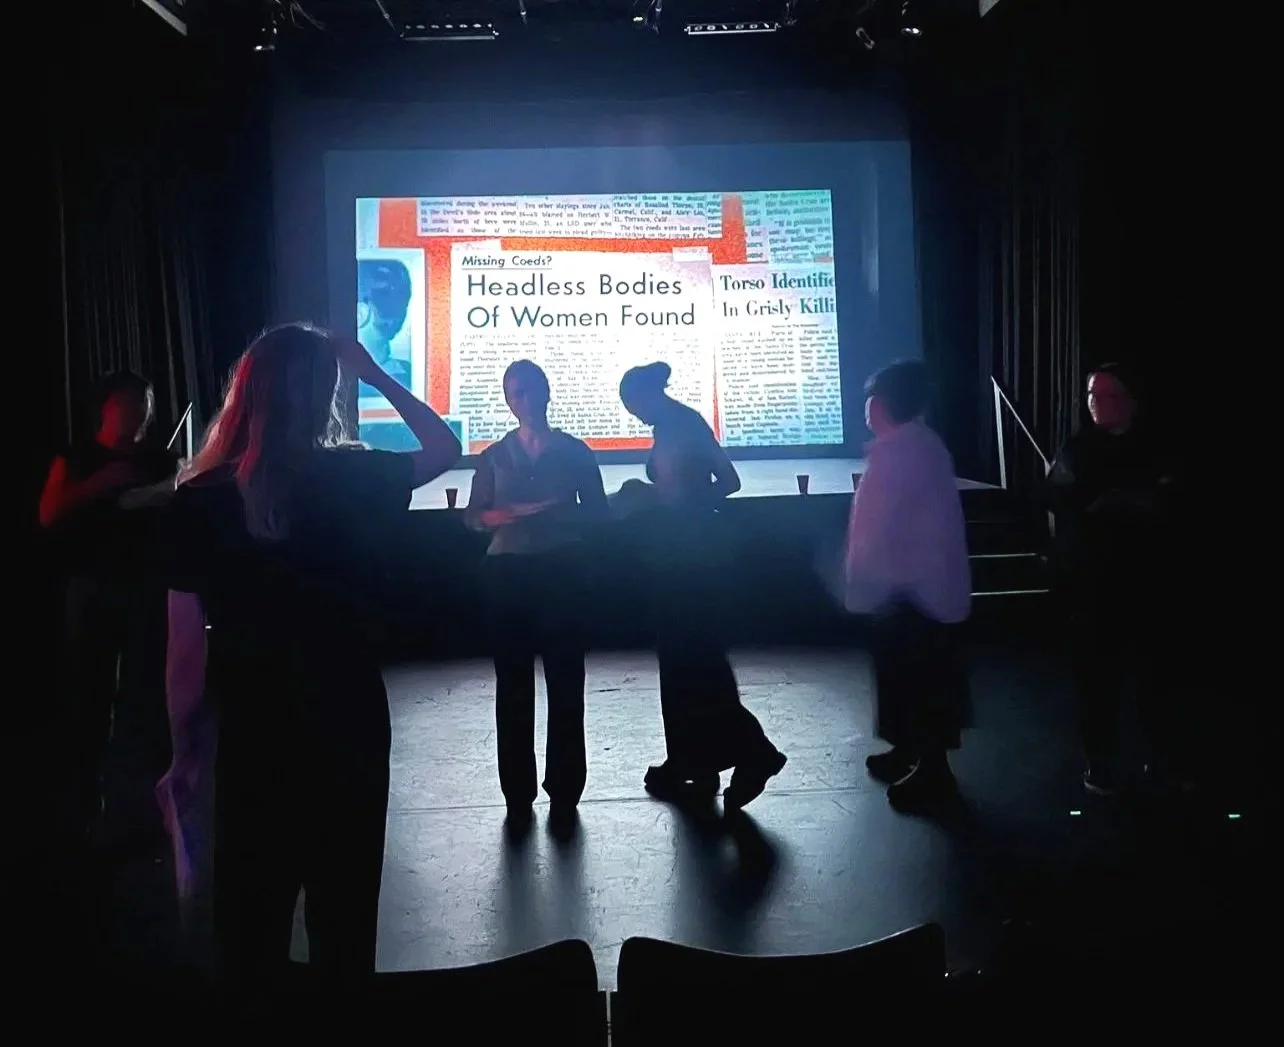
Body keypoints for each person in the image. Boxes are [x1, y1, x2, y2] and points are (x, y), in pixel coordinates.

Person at [158, 323, 461, 989]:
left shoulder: (199, 498)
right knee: (344, 921)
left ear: (247, 391)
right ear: (326, 390)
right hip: (349, 715)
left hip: (256, 723)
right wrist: (373, 373)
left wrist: (184, 753)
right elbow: (445, 446)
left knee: (250, 926)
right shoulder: (356, 476)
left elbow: (185, 654)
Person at [618, 362, 786, 813]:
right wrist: (693, 508)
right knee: (696, 659)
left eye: (632, 406)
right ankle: (694, 761)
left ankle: (752, 752)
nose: (633, 415)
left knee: (688, 662)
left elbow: (677, 496)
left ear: (644, 396)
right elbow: (728, 481)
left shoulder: (674, 428)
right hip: (699, 556)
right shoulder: (685, 421)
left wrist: (645, 496)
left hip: (681, 562)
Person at [463, 360, 607, 828]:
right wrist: (499, 518)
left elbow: (597, 514)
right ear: (507, 399)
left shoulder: (575, 451)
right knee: (513, 684)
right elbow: (472, 516)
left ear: (547, 393)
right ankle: (517, 789)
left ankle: (565, 786)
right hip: (507, 575)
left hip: (562, 573)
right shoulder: (493, 456)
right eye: (514, 392)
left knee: (566, 682)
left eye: (530, 390)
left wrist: (558, 517)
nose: (523, 399)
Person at [39, 370, 179, 841]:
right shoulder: (78, 456)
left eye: (144, 403)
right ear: (106, 407)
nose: (137, 412)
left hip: (145, 592)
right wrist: (104, 483)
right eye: (128, 403)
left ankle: (140, 806)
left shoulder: (159, 460)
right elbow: (50, 513)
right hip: (92, 590)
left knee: (145, 699)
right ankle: (84, 802)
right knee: (88, 695)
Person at [1046, 363, 1182, 795]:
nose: (1097, 404)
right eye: (1091, 395)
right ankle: (1100, 761)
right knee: (1096, 682)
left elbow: (1173, 504)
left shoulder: (1156, 448)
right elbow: (1056, 500)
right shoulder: (1075, 448)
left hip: (1148, 584)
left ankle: (1160, 759)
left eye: (1108, 395)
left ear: (1131, 402)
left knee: (1154, 679)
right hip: (1093, 587)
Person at [842, 361, 971, 812]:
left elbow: (882, 527)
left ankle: (933, 768)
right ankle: (909, 750)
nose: (867, 408)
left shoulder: (907, 452)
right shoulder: (908, 446)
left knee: (922, 679)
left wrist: (863, 581)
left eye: (872, 399)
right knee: (902, 676)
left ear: (886, 404)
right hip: (906, 588)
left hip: (916, 590)